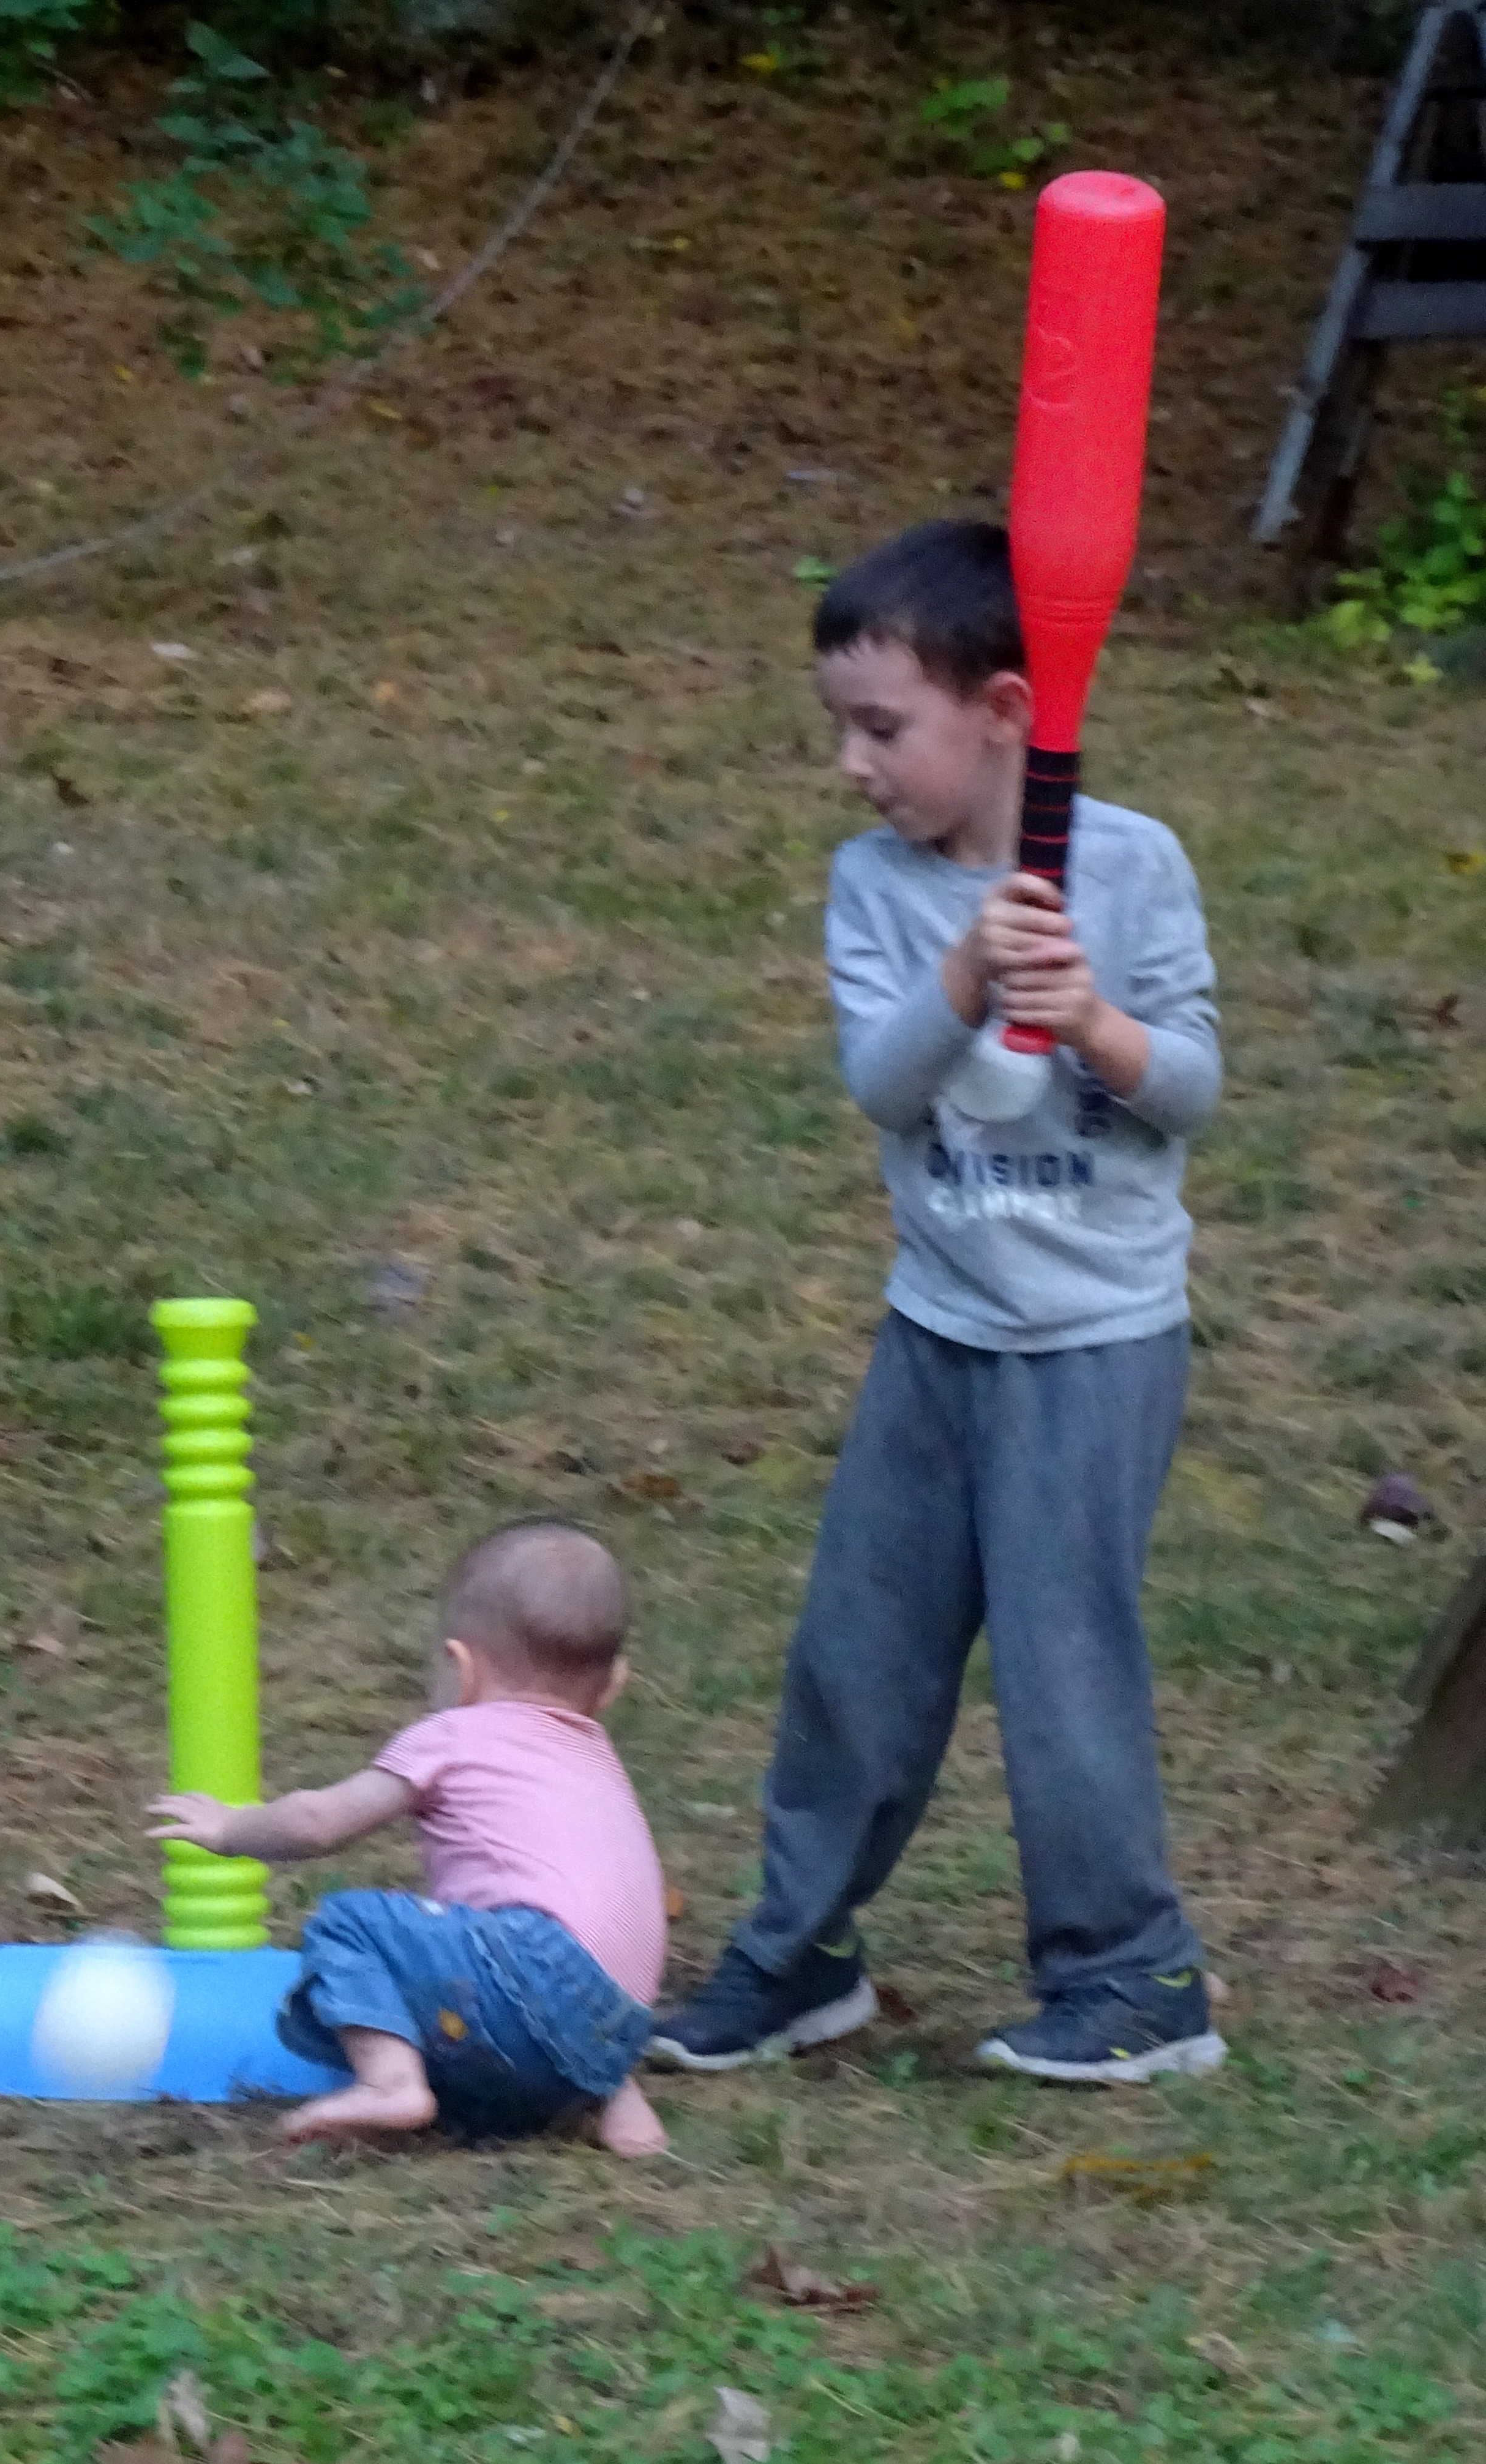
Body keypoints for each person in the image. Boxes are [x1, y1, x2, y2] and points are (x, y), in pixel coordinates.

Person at [649, 519, 1226, 2086]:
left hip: (1092, 1341)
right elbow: (881, 1081)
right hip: (937, 1328)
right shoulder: (873, 887)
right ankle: (795, 1956)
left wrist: (1090, 1022)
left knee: (1059, 1667)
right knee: (856, 1656)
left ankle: (1132, 1978)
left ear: (1002, 711)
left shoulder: (1133, 865)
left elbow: (1187, 1086)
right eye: (838, 726)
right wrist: (967, 975)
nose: (851, 763)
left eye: (880, 726)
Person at [149, 1521, 669, 2154]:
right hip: (624, 2016)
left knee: (353, 1924)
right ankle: (619, 2105)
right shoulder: (594, 1757)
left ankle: (390, 2082)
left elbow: (319, 1821)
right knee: (567, 1954)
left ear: (462, 1667)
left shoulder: (456, 1735)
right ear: (612, 1684)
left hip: (533, 1974)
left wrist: (232, 1827)